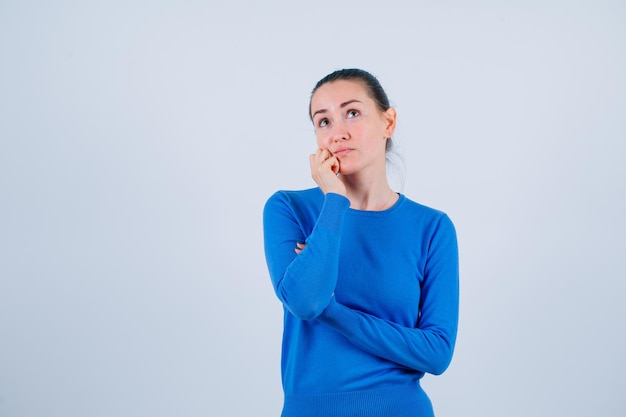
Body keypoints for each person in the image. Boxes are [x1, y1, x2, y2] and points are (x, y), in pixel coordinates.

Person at [263, 68, 459, 417]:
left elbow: (436, 352)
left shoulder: (432, 228)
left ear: (388, 122)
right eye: (323, 122)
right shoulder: (290, 209)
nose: (338, 132)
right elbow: (306, 302)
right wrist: (334, 201)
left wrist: (333, 309)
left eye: (352, 113)